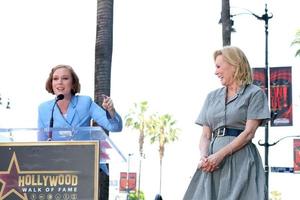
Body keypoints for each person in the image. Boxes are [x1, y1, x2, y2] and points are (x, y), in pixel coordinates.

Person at [183, 46, 270, 200]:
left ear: (234, 65)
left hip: (241, 161)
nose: (215, 72)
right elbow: (205, 135)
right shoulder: (211, 97)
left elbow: (249, 133)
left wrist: (220, 155)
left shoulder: (255, 93)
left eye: (218, 66)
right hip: (211, 164)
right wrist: (205, 157)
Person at [37, 64, 123, 200]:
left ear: (73, 83)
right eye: (55, 79)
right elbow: (40, 144)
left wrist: (111, 112)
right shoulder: (44, 108)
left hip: (84, 167)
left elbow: (115, 127)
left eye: (65, 78)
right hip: (55, 170)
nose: (59, 82)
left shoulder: (85, 103)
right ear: (51, 83)